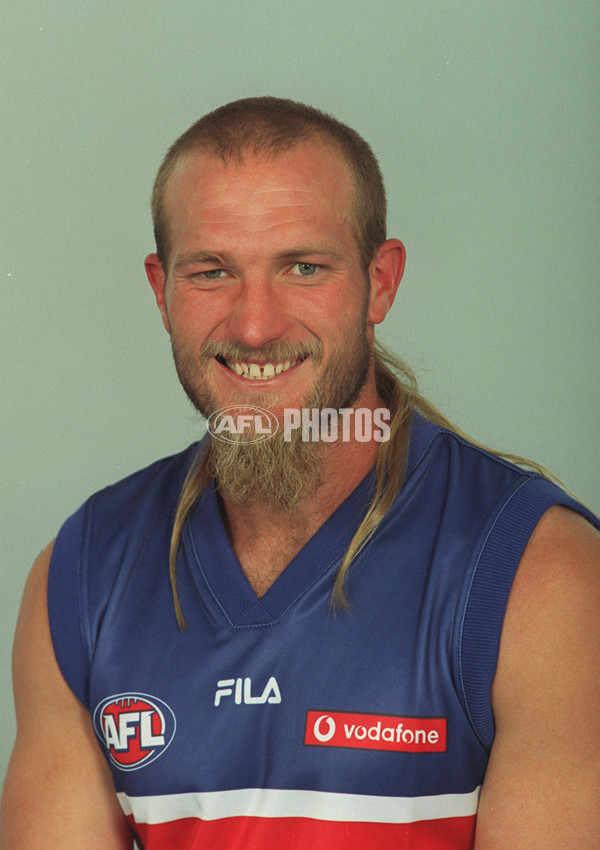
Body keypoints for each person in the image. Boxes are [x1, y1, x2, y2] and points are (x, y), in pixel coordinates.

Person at [1, 97, 599, 850]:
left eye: (304, 267)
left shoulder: (540, 578)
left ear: (381, 282)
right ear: (160, 291)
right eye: (212, 272)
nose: (255, 325)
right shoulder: (80, 580)